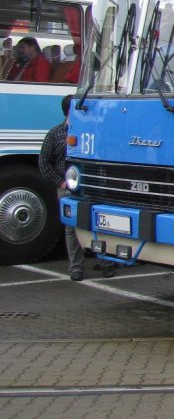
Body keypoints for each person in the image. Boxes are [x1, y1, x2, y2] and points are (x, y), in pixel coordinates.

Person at [38, 95, 87, 280]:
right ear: (70, 111)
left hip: (88, 186)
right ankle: (76, 267)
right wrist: (61, 182)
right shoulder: (55, 134)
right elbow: (44, 163)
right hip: (67, 187)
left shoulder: (89, 132)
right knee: (71, 226)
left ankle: (106, 262)